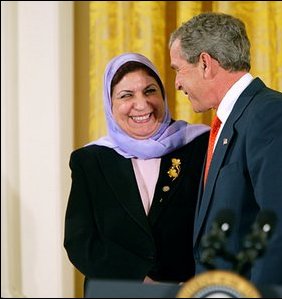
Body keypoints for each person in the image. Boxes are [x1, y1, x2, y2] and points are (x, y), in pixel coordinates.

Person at [169, 12, 282, 287]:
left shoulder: (271, 115)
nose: (176, 83)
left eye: (177, 69)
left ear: (205, 63)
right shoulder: (234, 120)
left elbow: (280, 231)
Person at [63, 53, 210, 290]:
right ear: (110, 104)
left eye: (150, 91)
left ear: (163, 94)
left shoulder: (199, 145)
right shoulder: (90, 160)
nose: (142, 104)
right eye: (126, 95)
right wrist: (140, 282)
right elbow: (80, 242)